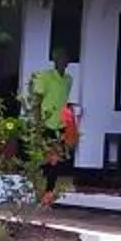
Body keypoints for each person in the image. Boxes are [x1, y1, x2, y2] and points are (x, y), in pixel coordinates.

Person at [27, 57, 79, 198]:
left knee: (56, 161)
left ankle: (48, 193)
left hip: (60, 125)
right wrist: (37, 123)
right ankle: (37, 190)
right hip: (45, 124)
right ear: (55, 60)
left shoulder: (68, 80)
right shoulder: (46, 77)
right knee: (44, 159)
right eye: (59, 58)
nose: (62, 62)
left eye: (64, 58)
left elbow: (63, 101)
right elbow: (37, 101)